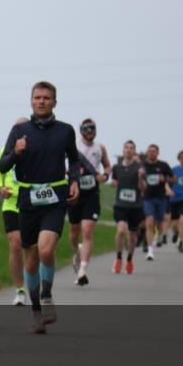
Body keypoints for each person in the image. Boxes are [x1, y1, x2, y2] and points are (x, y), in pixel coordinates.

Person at [0, 81, 81, 334]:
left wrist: (74, 181)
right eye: (37, 97)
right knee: (31, 259)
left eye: (46, 97)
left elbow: (74, 159)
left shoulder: (65, 130)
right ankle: (36, 311)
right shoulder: (19, 131)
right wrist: (16, 153)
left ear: (54, 102)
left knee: (46, 250)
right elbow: (2, 166)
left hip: (55, 197)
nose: (41, 101)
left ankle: (46, 296)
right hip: (27, 200)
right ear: (31, 101)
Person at [67, 119, 111, 287]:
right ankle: (75, 252)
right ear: (81, 131)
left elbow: (107, 166)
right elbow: (63, 163)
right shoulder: (74, 146)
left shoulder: (100, 148)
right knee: (73, 232)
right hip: (74, 192)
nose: (90, 131)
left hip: (92, 194)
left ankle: (82, 270)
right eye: (87, 129)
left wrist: (105, 176)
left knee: (87, 231)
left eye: (93, 128)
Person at [0, 118, 30, 306]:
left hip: (32, 204)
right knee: (15, 244)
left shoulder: (35, 151)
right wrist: (0, 189)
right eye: (16, 128)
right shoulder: (4, 151)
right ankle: (19, 290)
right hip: (11, 205)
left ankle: (35, 283)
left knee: (32, 248)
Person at [110, 140, 146, 274]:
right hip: (120, 205)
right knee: (120, 231)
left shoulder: (139, 168)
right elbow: (114, 181)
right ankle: (118, 259)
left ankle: (129, 260)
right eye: (126, 147)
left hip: (135, 207)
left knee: (132, 236)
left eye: (131, 148)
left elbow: (143, 188)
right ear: (123, 150)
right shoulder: (117, 167)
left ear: (134, 151)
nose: (129, 150)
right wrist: (113, 182)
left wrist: (140, 178)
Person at [141, 144, 174, 261]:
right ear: (147, 153)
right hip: (147, 197)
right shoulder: (143, 166)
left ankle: (160, 235)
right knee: (149, 222)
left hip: (161, 198)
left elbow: (174, 178)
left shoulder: (163, 165)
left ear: (157, 153)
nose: (151, 153)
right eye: (149, 151)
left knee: (160, 222)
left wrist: (165, 179)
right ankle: (150, 250)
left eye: (154, 151)